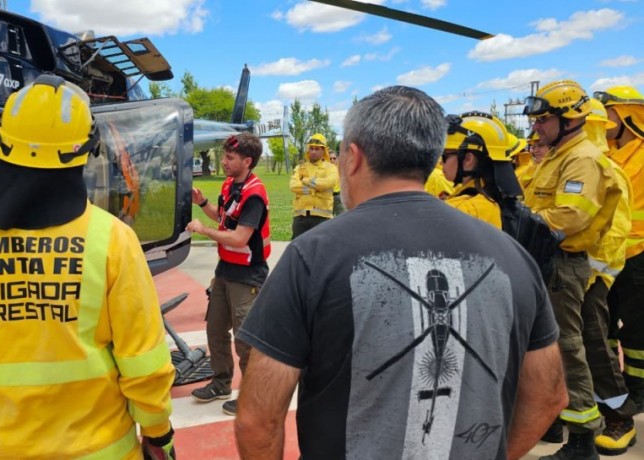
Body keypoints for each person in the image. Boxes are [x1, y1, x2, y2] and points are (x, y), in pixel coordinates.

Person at [234, 85, 566, 459]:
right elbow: (548, 396)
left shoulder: (312, 255)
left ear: (353, 158)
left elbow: (257, 419)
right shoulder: (512, 256)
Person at [0, 75, 176, 460]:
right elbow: (144, 364)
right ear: (86, 151)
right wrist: (157, 434)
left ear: (0, 146)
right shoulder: (112, 241)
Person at [522, 79, 622, 460]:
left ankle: (583, 440)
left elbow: (572, 216)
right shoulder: (557, 154)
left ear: (569, 118)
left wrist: (522, 224)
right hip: (548, 261)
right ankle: (554, 419)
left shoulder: (581, 159)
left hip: (564, 265)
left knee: (565, 348)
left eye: (543, 120)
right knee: (546, 346)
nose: (536, 127)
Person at [186, 132, 271, 416]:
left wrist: (203, 231)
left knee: (245, 339)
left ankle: (252, 395)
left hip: (247, 276)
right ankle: (221, 383)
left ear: (247, 161)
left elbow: (239, 238)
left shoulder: (254, 194)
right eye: (224, 156)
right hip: (225, 271)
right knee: (215, 329)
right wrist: (202, 203)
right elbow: (222, 218)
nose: (224, 161)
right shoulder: (229, 185)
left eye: (230, 158)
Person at [580, 97, 637, 455]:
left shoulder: (605, 169)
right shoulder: (567, 165)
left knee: (596, 346)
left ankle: (620, 417)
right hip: (561, 277)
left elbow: (615, 232)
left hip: (589, 278)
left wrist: (591, 275)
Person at [441, 112, 523, 229]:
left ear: (468, 159)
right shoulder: (489, 196)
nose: (440, 162)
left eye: (444, 155)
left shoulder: (468, 210)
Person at [289, 133, 338, 238]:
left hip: (323, 218)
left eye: (317, 149)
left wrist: (305, 180)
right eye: (311, 148)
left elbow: (329, 182)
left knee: (322, 252)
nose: (314, 151)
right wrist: (314, 189)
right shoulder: (300, 167)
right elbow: (293, 185)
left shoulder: (330, 168)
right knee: (298, 251)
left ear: (324, 150)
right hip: (300, 218)